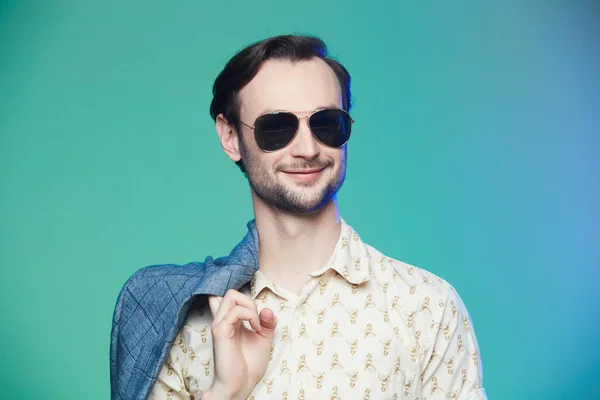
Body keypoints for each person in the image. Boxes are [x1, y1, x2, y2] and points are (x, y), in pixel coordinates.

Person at [110, 35, 487, 400]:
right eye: (276, 128)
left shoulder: (427, 306)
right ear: (229, 137)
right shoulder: (178, 321)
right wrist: (226, 394)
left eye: (326, 124)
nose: (307, 149)